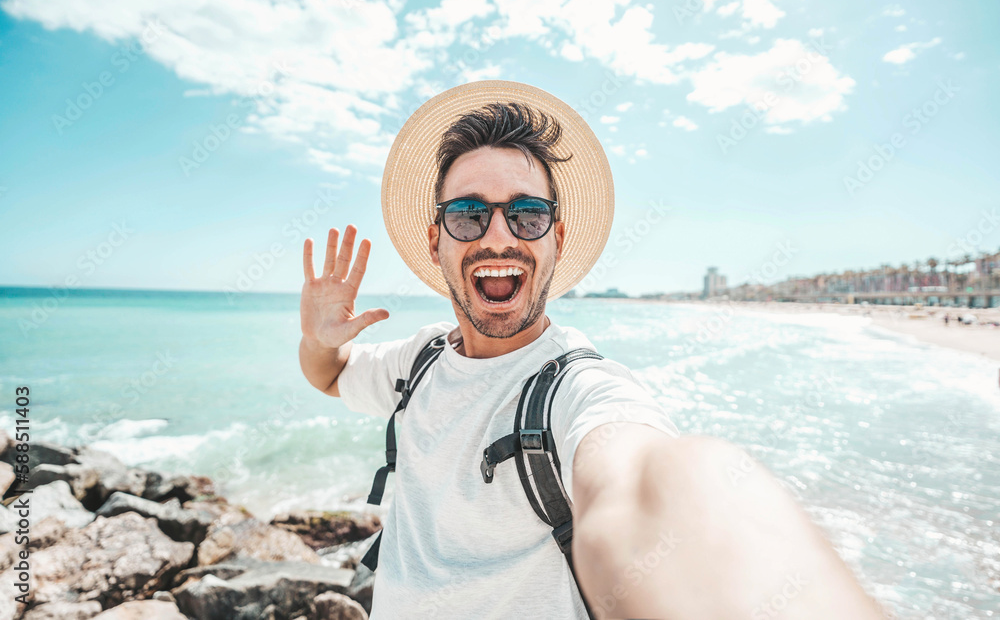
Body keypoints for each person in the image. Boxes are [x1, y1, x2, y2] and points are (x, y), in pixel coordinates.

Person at [298, 81, 884, 619]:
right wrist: (316, 341)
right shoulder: (420, 359)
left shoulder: (577, 390)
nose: (498, 236)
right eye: (469, 213)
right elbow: (330, 376)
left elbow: (638, 483)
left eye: (527, 215)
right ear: (436, 240)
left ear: (557, 236)